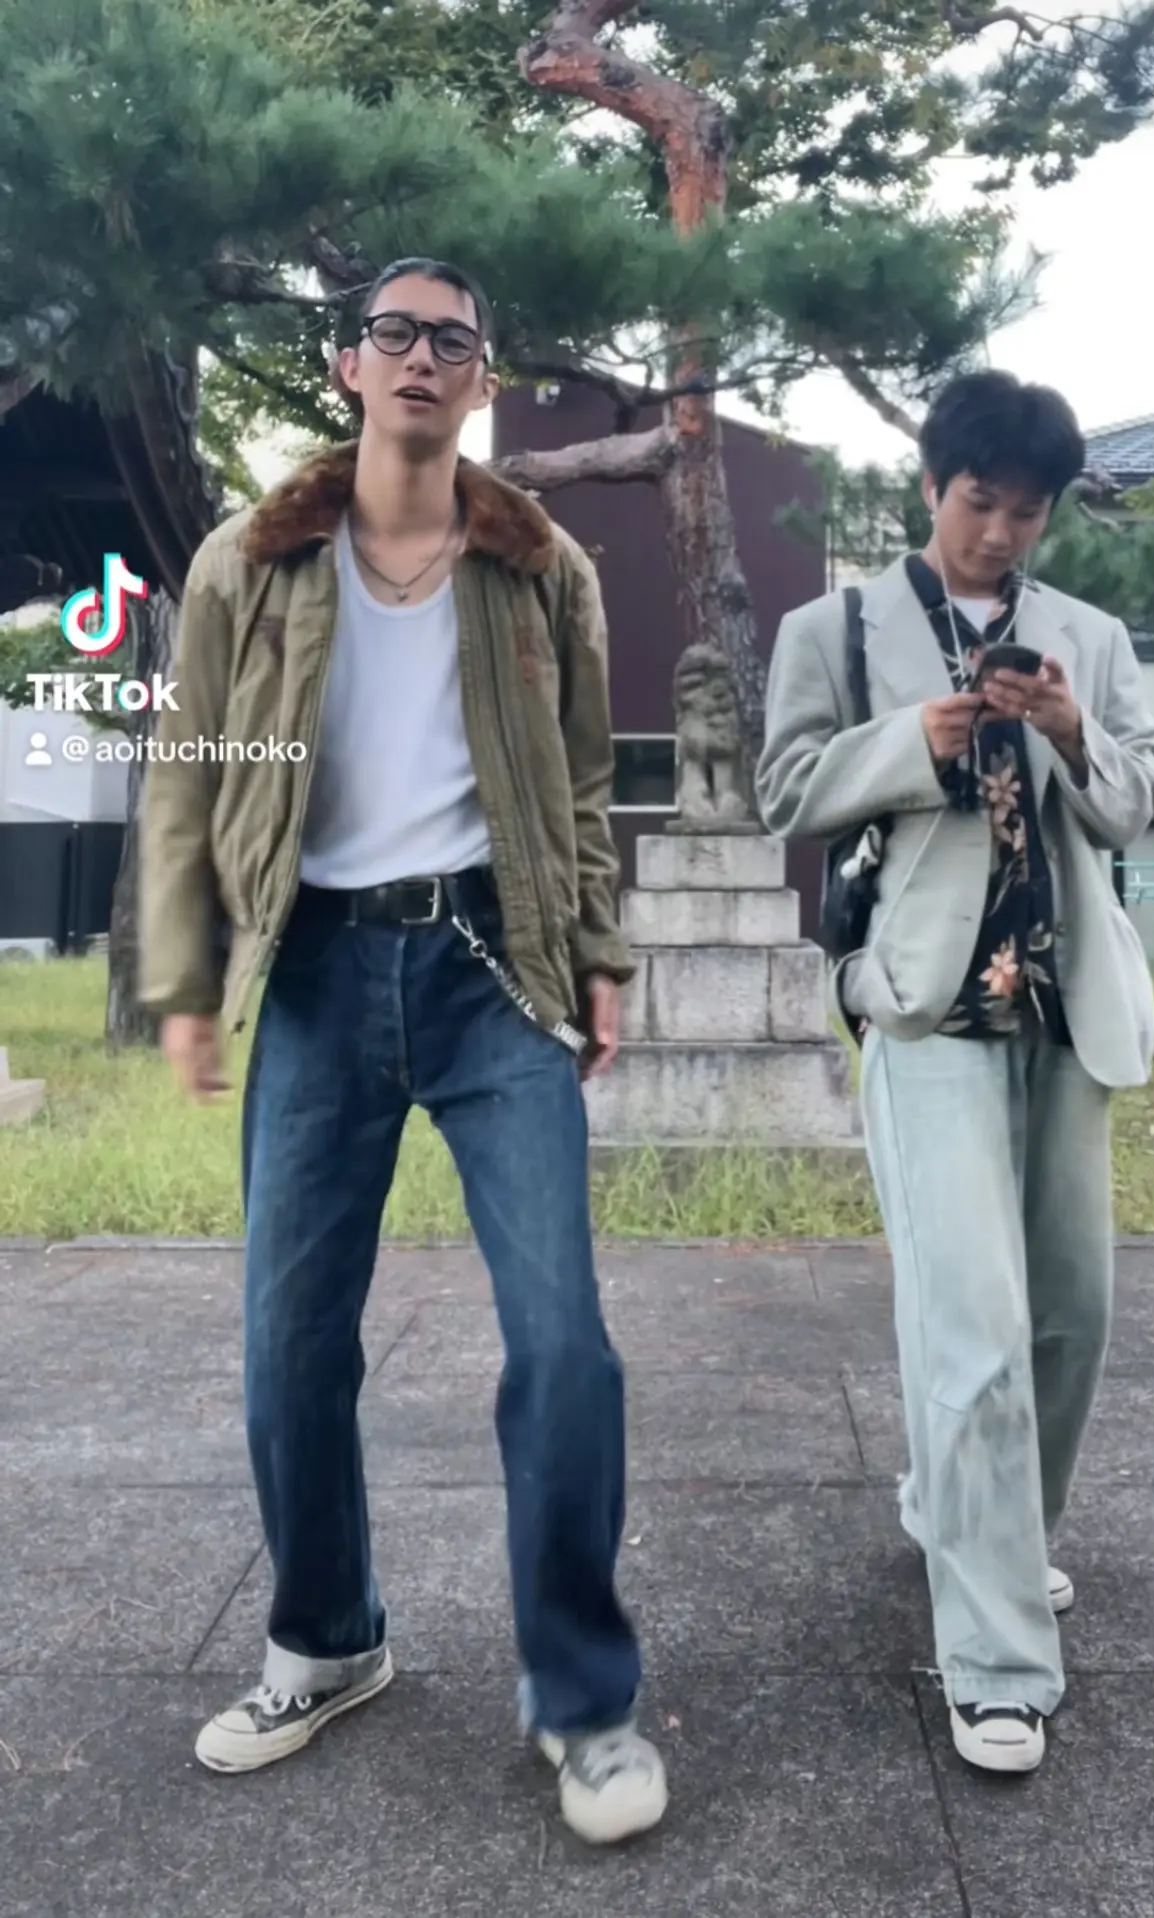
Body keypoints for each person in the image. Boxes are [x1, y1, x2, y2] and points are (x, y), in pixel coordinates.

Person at [137, 256, 667, 1844]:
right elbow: (189, 771)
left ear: (482, 376)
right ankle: (327, 1634)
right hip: (313, 969)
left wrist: (599, 955)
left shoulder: (540, 563)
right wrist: (185, 975)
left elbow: (583, 779)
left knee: (564, 1342)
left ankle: (582, 1696)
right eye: (394, 334)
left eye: (452, 339)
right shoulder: (250, 560)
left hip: (491, 968)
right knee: (290, 1343)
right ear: (348, 366)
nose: (421, 357)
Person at [754, 370, 1154, 1775]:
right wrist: (907, 743)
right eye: (979, 501)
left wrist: (1069, 731)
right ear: (931, 487)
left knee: (1071, 1320)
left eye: (1027, 512)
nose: (999, 532)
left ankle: (986, 1527)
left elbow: (1137, 803)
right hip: (927, 1012)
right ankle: (994, 1660)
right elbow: (785, 790)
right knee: (974, 1329)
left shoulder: (1089, 639)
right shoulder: (835, 628)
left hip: (1066, 1009)